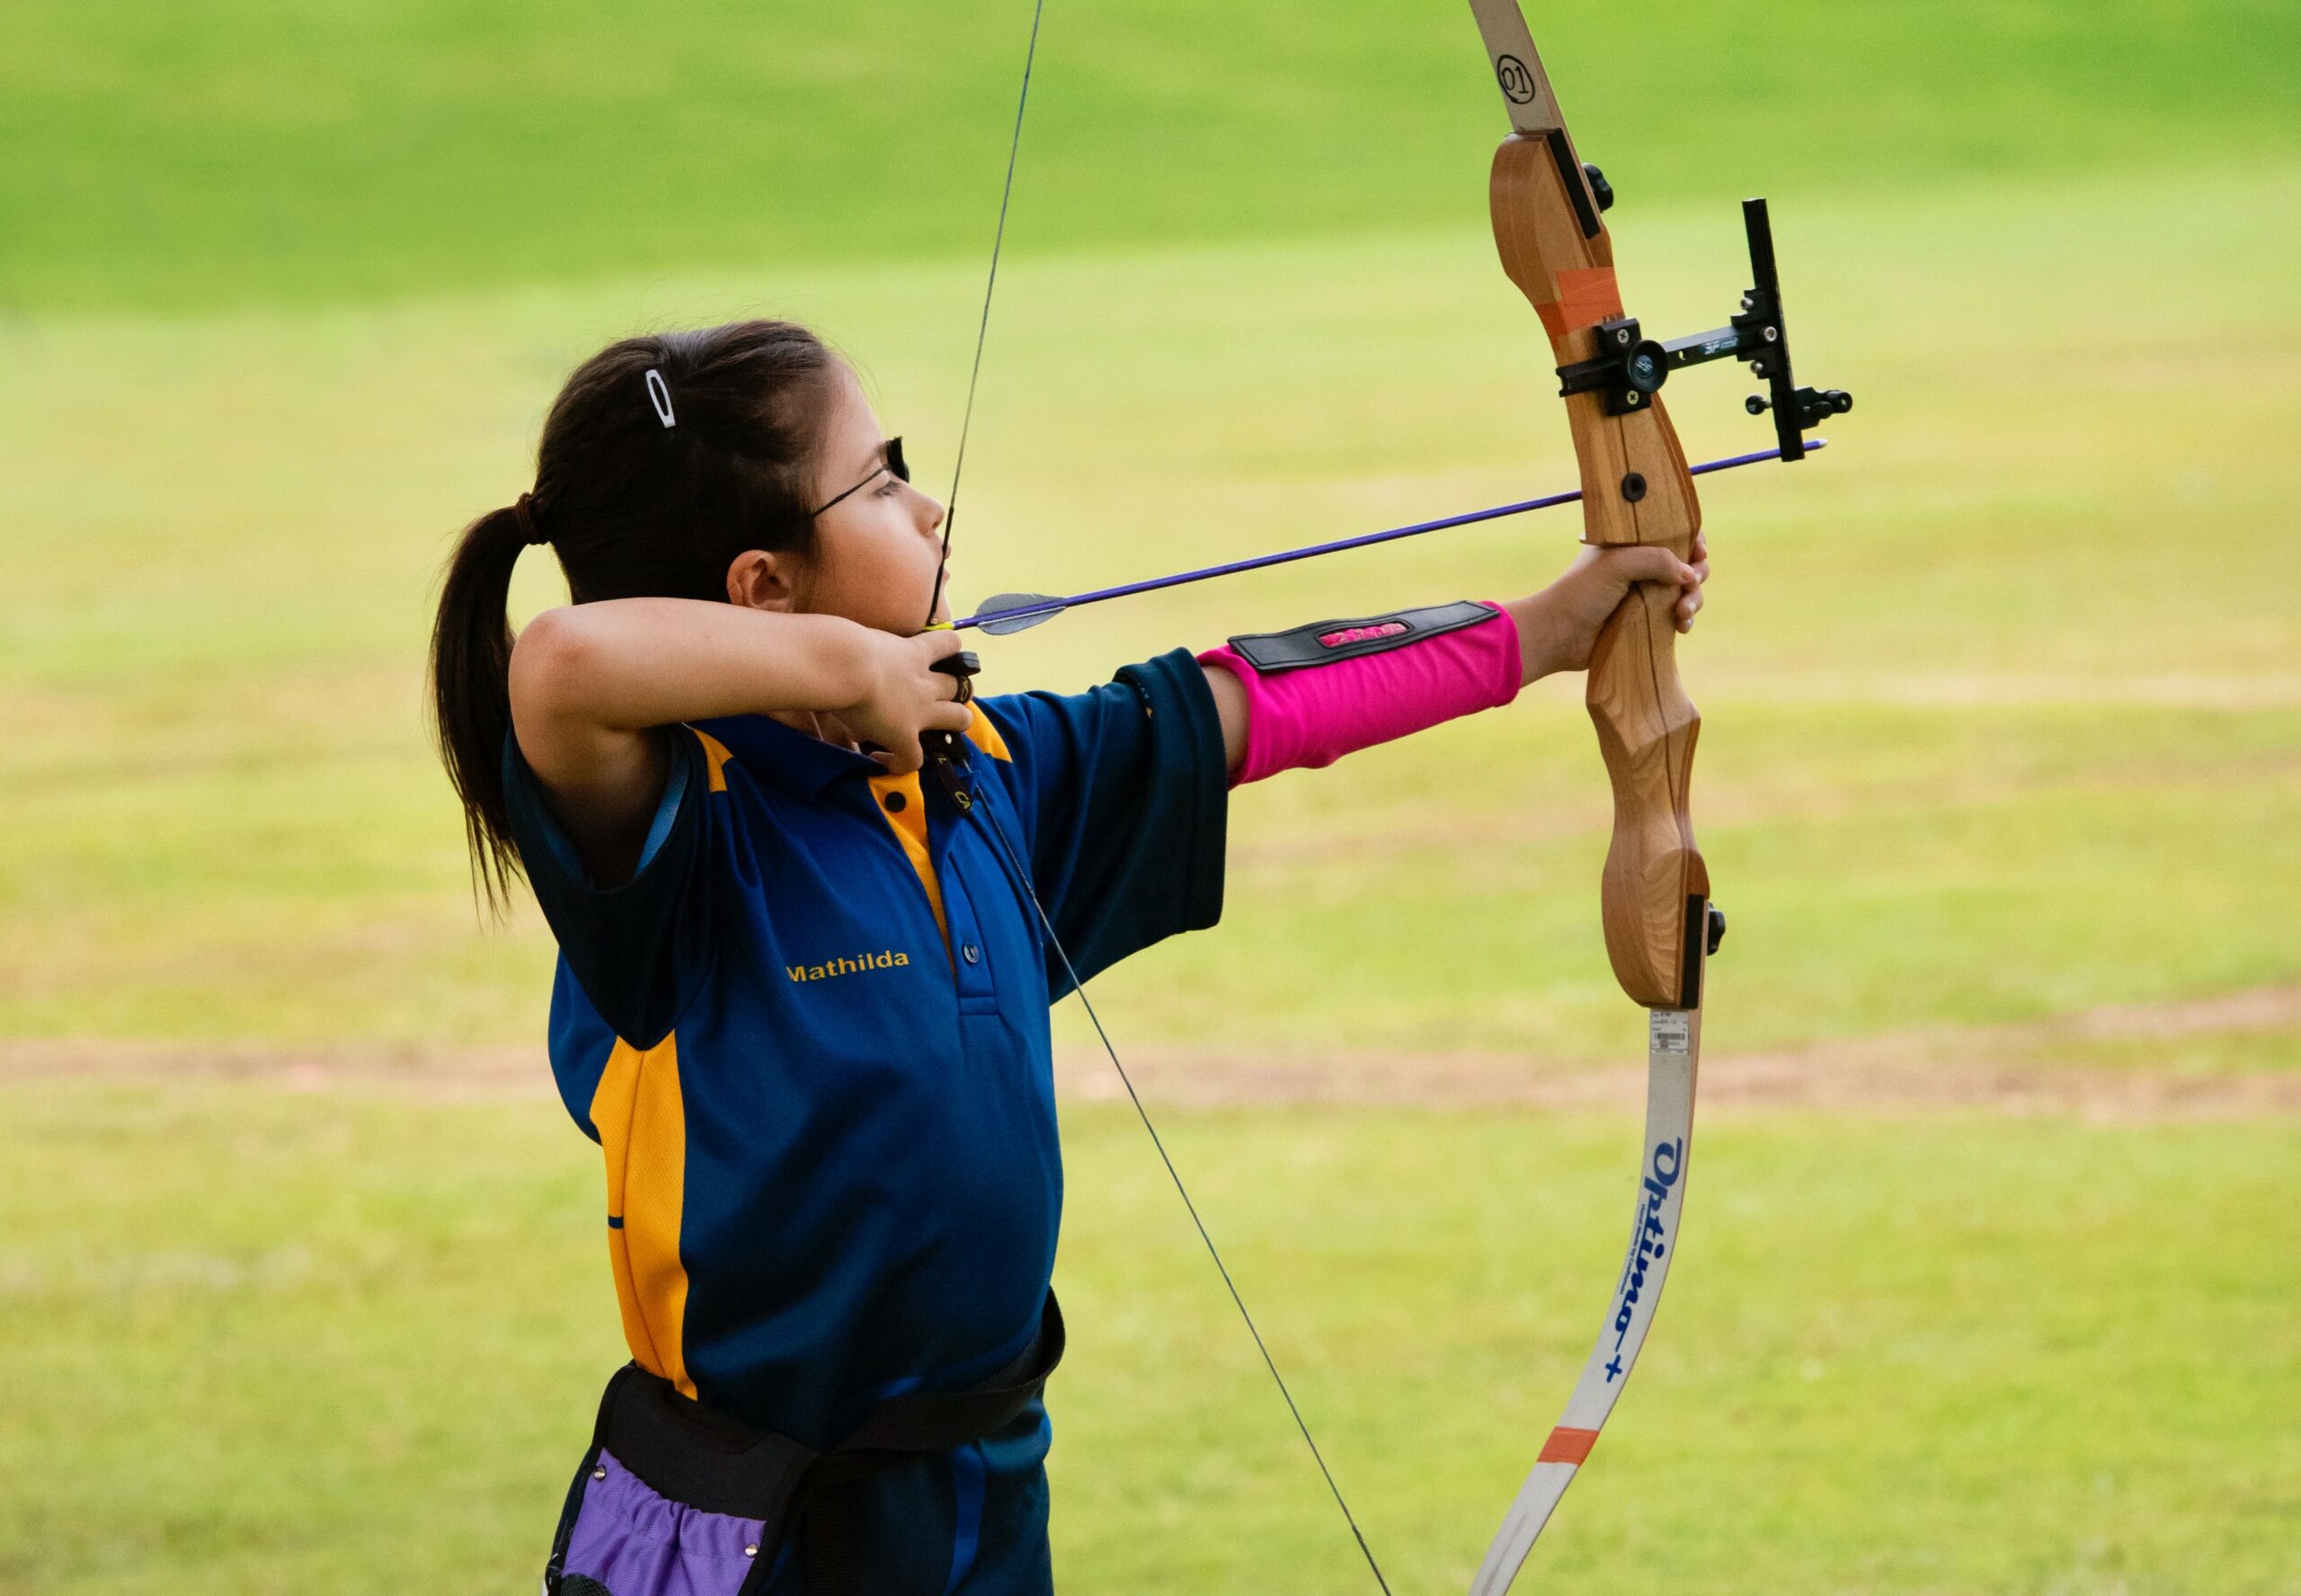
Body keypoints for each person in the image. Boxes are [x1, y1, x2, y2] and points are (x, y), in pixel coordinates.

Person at [427, 318, 1705, 1596]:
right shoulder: (677, 841)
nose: (928, 509)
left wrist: (1546, 630)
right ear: (764, 584)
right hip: (752, 1526)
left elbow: (1253, 700)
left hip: (982, 1488)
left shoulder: (984, 777)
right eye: (877, 482)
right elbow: (562, 662)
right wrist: (849, 668)